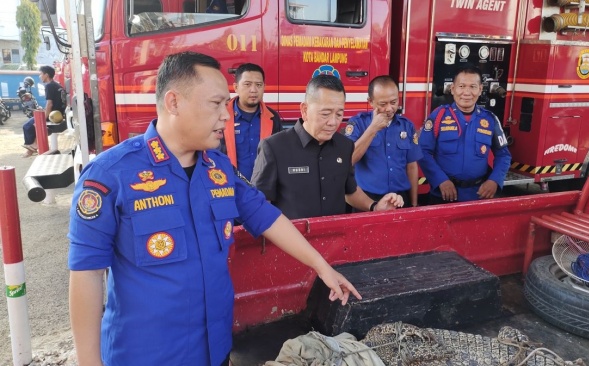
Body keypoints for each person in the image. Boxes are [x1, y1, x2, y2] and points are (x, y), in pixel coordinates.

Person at [68, 52, 361, 366]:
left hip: (215, 349)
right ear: (174, 102)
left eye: (227, 104)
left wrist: (322, 267)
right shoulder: (110, 175)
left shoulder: (218, 168)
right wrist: (89, 361)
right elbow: (87, 273)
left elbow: (266, 217)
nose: (226, 115)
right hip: (146, 355)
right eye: (216, 103)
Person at [251, 75, 404, 220]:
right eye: (325, 114)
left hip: (335, 242)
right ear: (304, 110)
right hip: (291, 244)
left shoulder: (344, 146)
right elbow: (260, 205)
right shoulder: (274, 148)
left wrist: (375, 207)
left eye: (339, 114)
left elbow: (349, 191)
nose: (333, 122)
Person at [418, 64, 511, 203]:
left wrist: (494, 180)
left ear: (480, 90)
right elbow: (423, 152)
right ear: (453, 89)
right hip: (443, 195)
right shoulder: (438, 116)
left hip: (479, 196)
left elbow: (503, 154)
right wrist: (440, 180)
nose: (467, 92)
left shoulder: (490, 119)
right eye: (461, 86)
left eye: (473, 87)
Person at [344, 76, 422, 208]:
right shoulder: (358, 123)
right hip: (367, 199)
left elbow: (412, 167)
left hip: (400, 199)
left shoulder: (406, 126)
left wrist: (414, 204)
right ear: (371, 102)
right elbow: (349, 159)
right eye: (383, 104)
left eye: (393, 102)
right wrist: (373, 128)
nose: (389, 108)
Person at [219, 63, 283, 180]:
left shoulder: (273, 118)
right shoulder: (221, 116)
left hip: (262, 191)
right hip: (229, 187)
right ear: (236, 87)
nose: (253, 90)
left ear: (264, 87)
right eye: (247, 84)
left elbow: (280, 156)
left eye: (258, 85)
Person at [21, 65, 65, 157]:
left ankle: (32, 147)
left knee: (27, 126)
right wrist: (44, 110)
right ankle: (32, 147)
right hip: (58, 113)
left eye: (41, 74)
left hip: (53, 115)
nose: (39, 76)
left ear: (46, 75)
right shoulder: (56, 85)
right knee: (30, 124)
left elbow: (50, 104)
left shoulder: (49, 86)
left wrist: (43, 119)